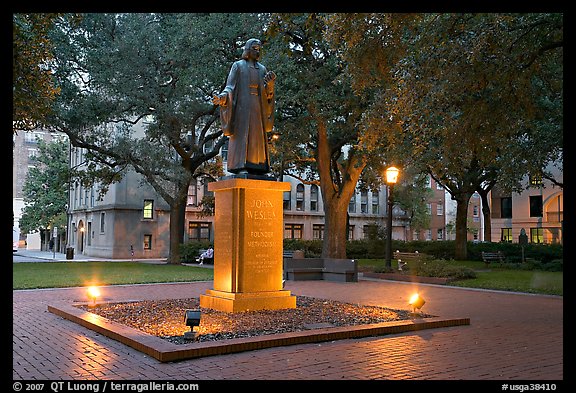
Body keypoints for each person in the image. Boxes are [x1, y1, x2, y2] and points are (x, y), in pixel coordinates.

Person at [213, 38, 276, 175]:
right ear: (247, 49)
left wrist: (270, 86)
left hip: (258, 107)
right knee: (243, 135)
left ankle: (258, 166)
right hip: (242, 107)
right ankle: (240, 164)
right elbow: (230, 87)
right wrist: (223, 98)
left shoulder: (262, 69)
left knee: (257, 136)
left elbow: (268, 95)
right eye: (254, 48)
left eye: (258, 49)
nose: (256, 51)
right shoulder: (238, 66)